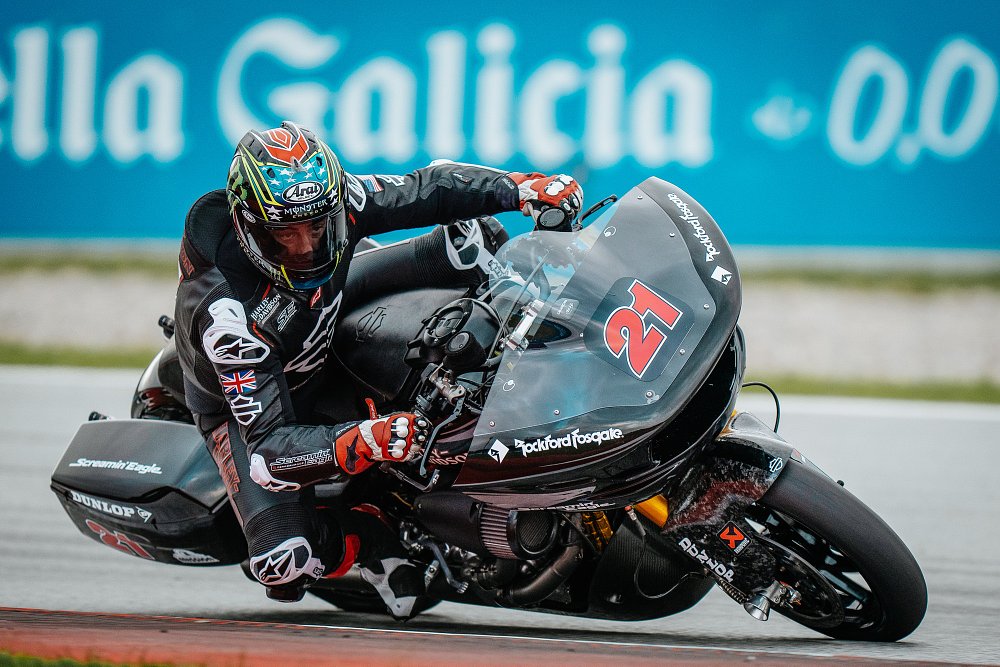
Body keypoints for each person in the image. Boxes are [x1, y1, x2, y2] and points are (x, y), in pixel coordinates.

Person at [172, 121, 583, 616]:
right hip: (257, 406)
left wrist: (522, 188)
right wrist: (367, 439)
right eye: (284, 236)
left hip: (325, 312)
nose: (305, 248)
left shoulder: (336, 200)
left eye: (318, 229)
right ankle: (370, 538)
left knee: (469, 244)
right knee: (282, 561)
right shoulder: (225, 319)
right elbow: (270, 452)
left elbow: (429, 187)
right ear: (249, 228)